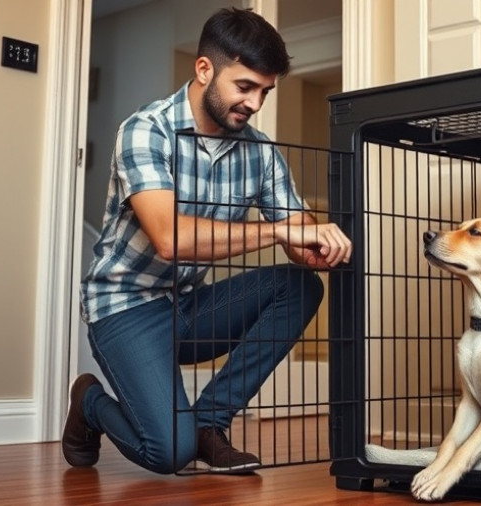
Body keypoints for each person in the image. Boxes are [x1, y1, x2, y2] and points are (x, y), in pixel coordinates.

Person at [64, 8, 351, 475]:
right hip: (124, 307)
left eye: (265, 91)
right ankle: (91, 402)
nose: (256, 103)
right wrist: (278, 230)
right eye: (245, 87)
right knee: (169, 454)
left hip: (188, 306)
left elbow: (297, 228)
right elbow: (169, 239)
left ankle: (210, 423)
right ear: (204, 70)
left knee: (301, 286)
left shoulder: (260, 152)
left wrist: (316, 240)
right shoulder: (146, 130)